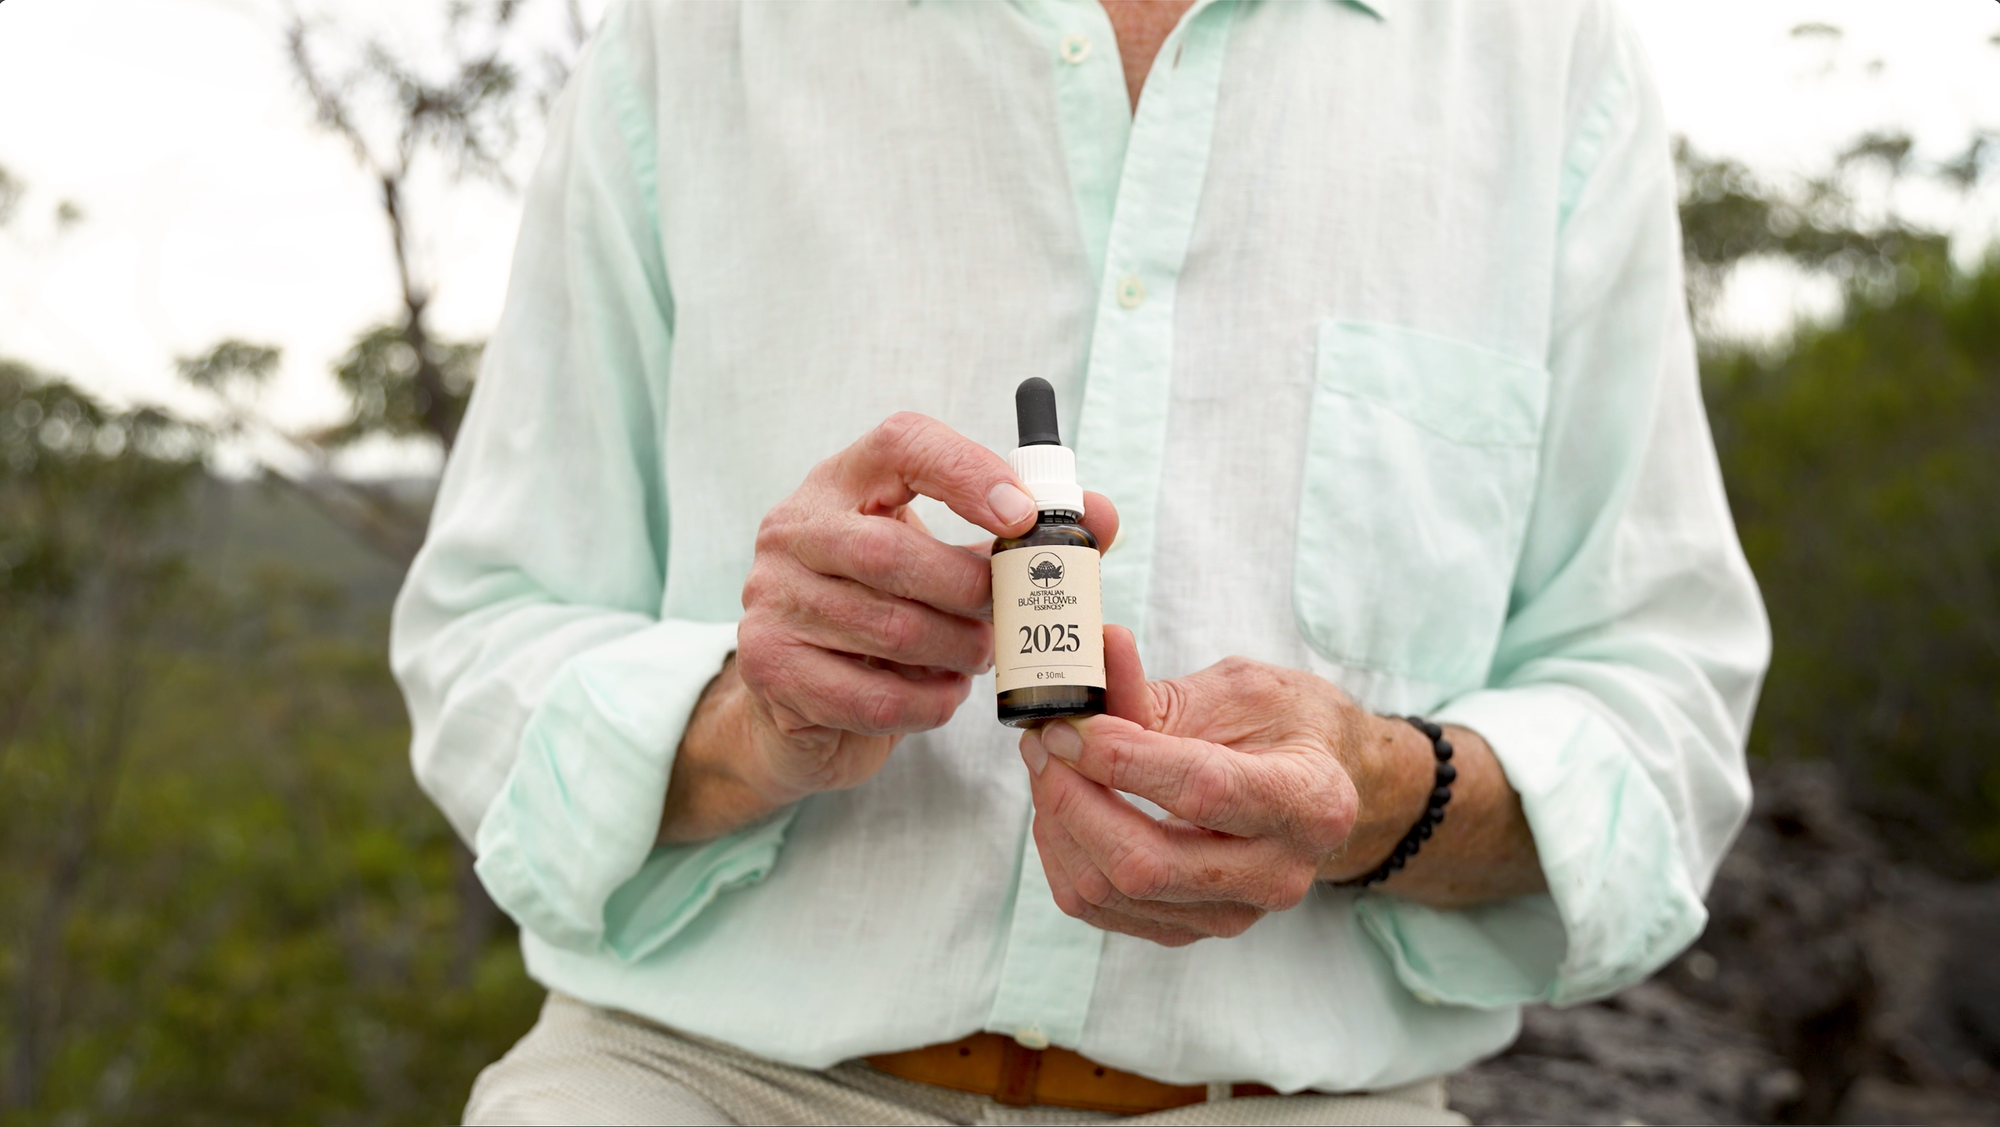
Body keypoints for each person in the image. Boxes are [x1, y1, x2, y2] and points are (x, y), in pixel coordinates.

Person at [391, 0, 1770, 1122]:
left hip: (1295, 1107)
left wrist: (1371, 791)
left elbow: (1663, 727)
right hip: (698, 1081)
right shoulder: (692, 36)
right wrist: (746, 725)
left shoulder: (1544, 56)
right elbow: (485, 638)